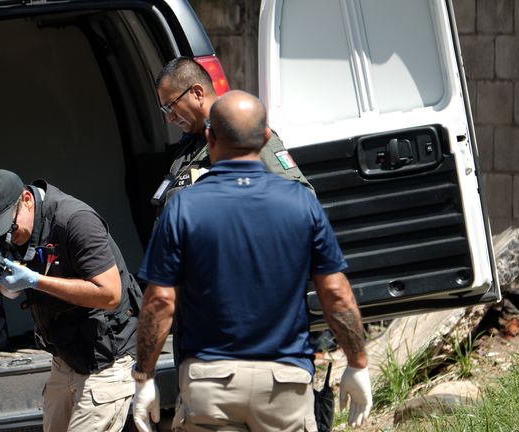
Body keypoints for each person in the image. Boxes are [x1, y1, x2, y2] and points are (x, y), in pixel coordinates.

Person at [131, 91, 372, 431]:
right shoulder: (301, 204)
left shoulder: (183, 207)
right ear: (266, 137)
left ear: (210, 137)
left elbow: (159, 301)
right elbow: (335, 293)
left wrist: (144, 376)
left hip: (209, 382)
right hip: (285, 382)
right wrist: (357, 362)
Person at [0, 169, 142, 432]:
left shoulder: (75, 221)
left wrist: (35, 281)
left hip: (108, 354)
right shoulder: (13, 230)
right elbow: (12, 292)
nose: (9, 235)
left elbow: (110, 294)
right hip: (65, 356)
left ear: (27, 199)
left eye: (10, 227)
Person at [150, 56, 314, 209]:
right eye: (165, 110)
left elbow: (302, 199)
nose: (170, 118)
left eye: (171, 106)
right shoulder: (188, 147)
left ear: (198, 93)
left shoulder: (244, 132)